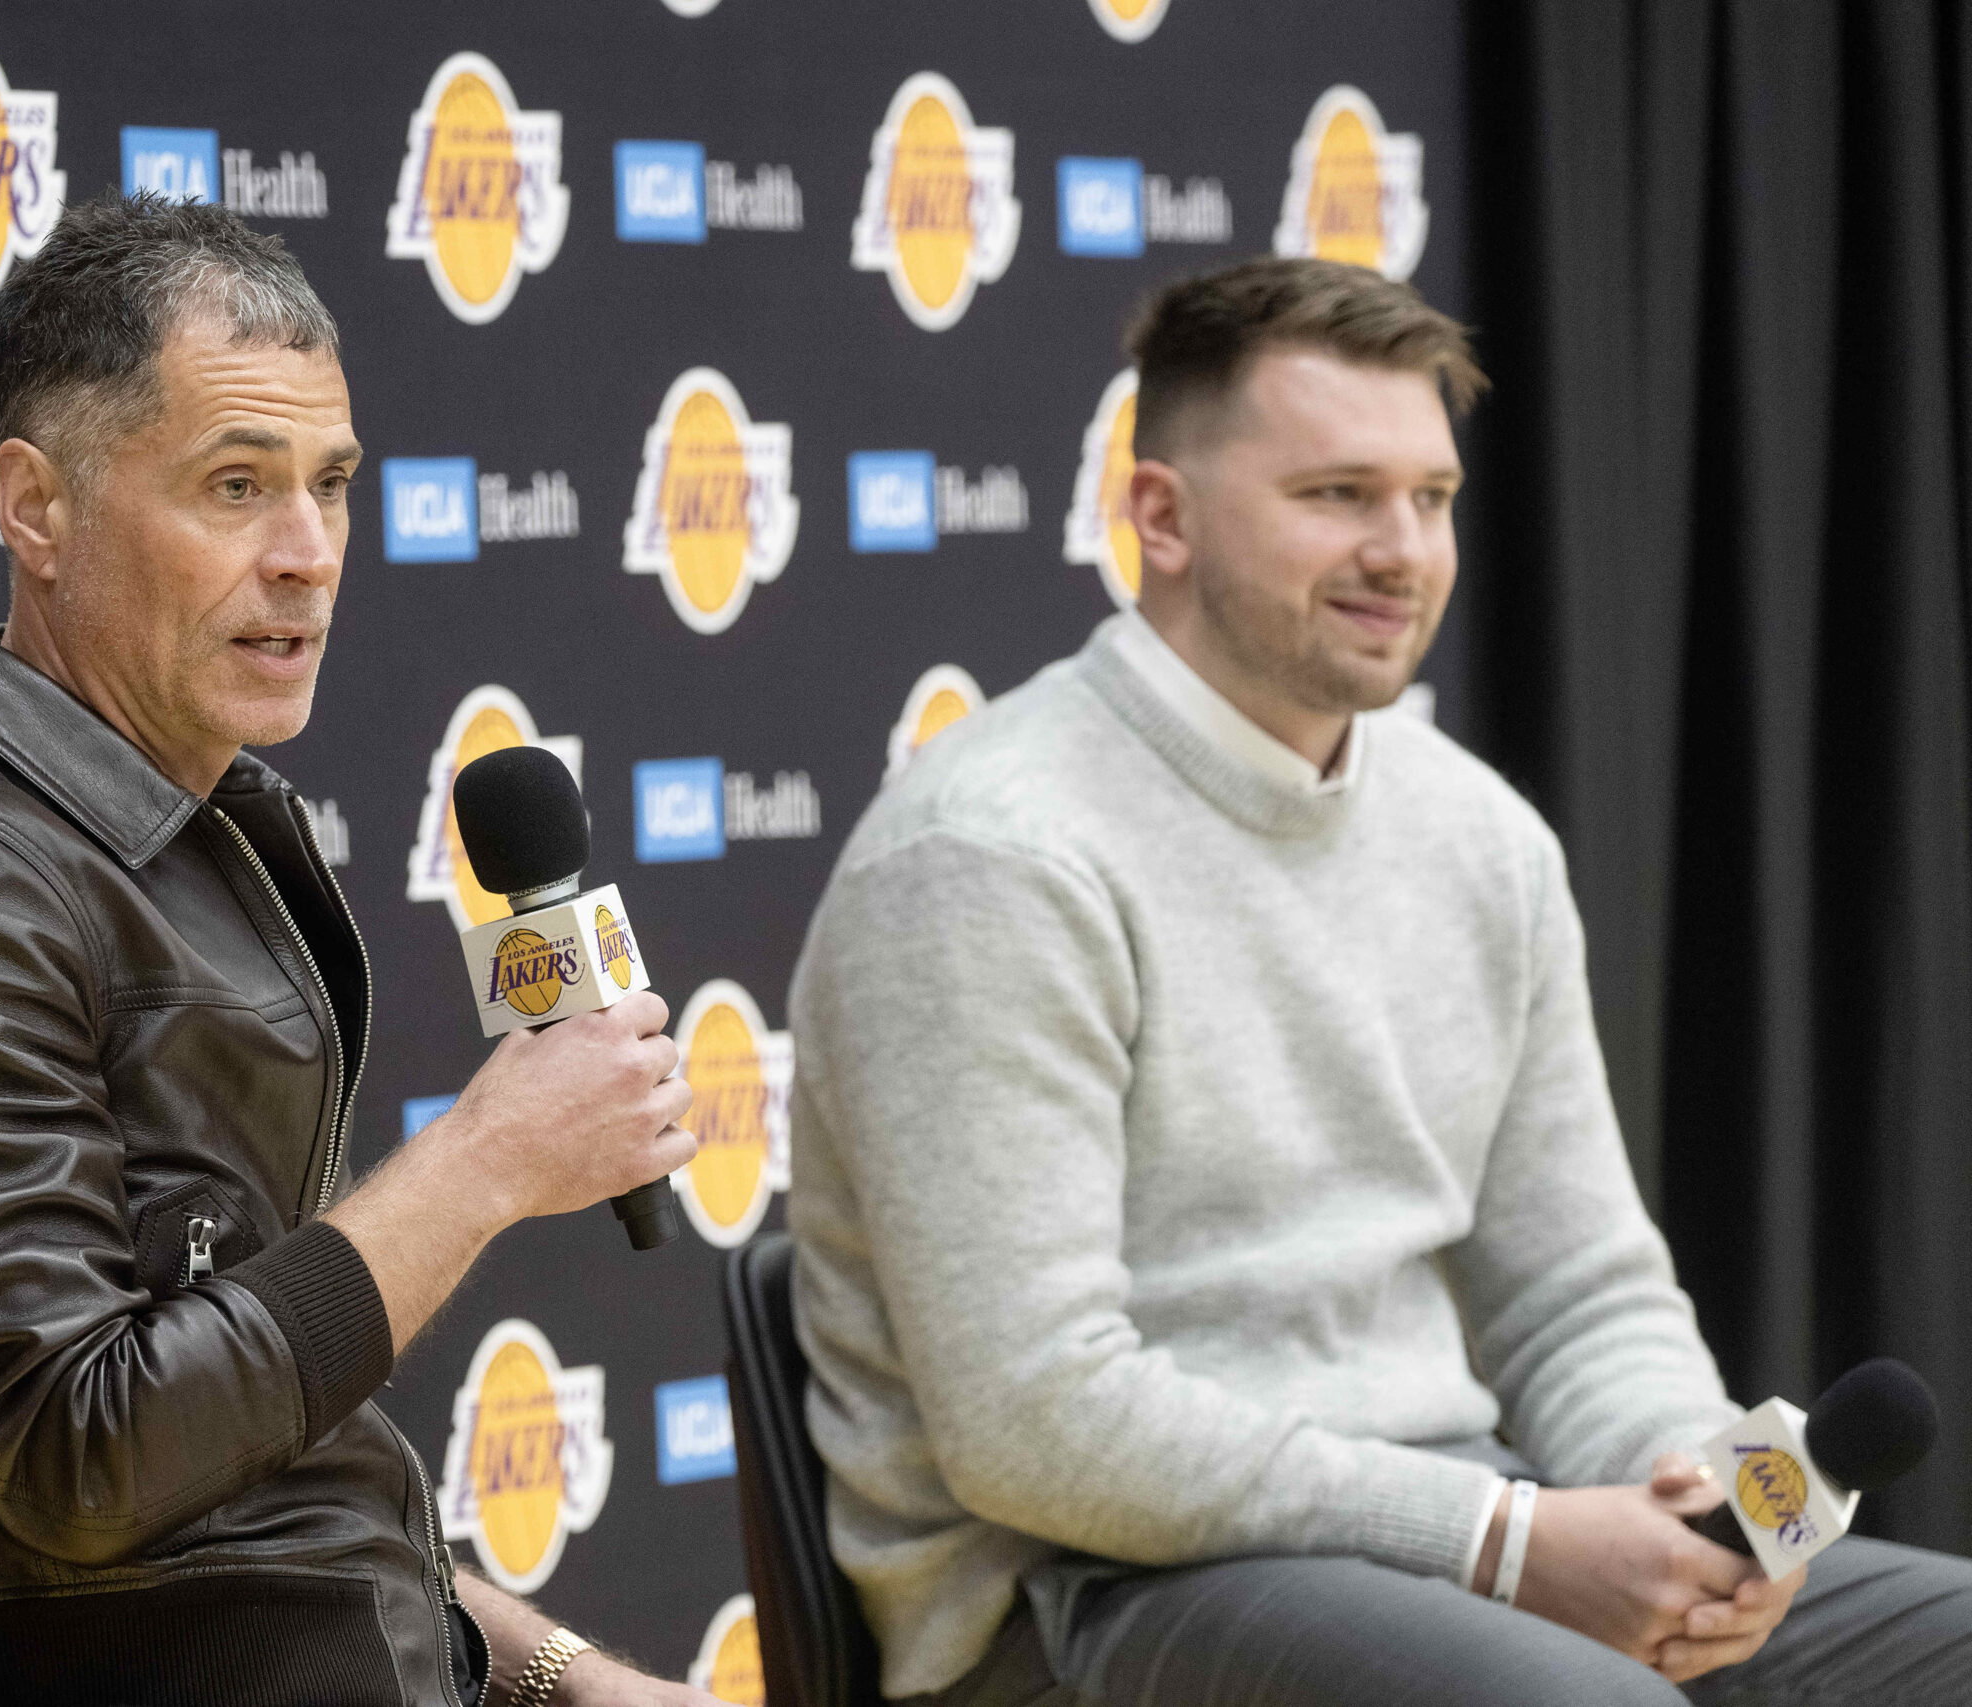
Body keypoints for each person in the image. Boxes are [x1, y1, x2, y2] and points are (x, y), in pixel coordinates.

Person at [785, 255, 1972, 1706]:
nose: (1403, 549)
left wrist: (1681, 1498)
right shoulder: (991, 854)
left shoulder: (1480, 837)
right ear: (1160, 514)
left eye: (1432, 496)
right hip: (1087, 1594)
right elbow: (1038, 1423)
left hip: (1461, 1532)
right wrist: (1507, 1541)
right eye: (1338, 494)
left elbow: (1576, 1293)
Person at [0, 194, 717, 1707]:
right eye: (236, 485)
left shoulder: (188, 839)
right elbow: (90, 1454)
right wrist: (488, 1162)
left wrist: (556, 1672)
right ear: (36, 507)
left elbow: (253, 1462)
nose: (308, 555)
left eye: (332, 486)